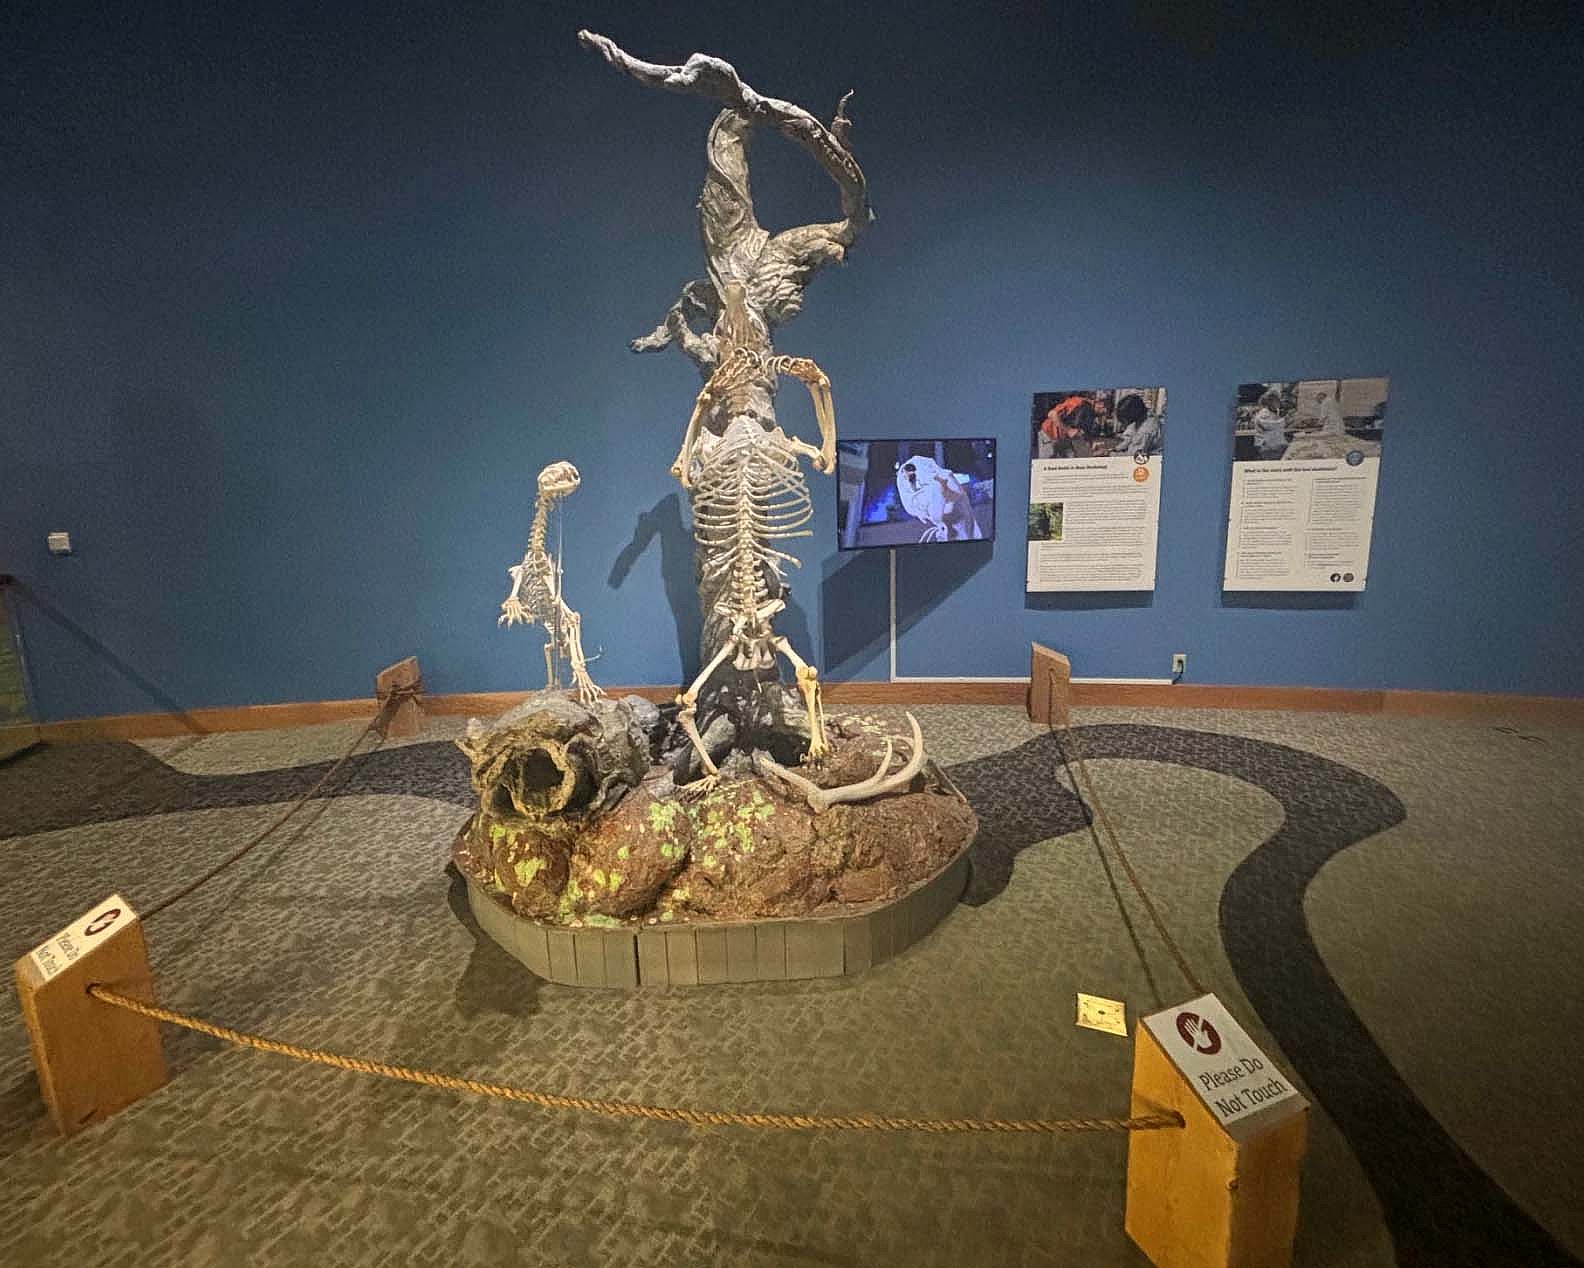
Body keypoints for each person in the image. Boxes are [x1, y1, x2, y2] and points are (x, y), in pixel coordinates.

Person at [1111, 392, 1162, 457]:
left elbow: (1132, 456)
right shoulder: (1144, 417)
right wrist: (1114, 449)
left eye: (1125, 418)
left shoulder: (1146, 429)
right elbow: (1130, 440)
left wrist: (1109, 454)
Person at [1251, 389, 1288, 460]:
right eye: (1277, 401)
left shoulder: (1273, 412)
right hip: (1267, 448)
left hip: (1274, 446)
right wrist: (1285, 420)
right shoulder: (1264, 413)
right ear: (1270, 402)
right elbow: (1271, 425)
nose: (1279, 404)